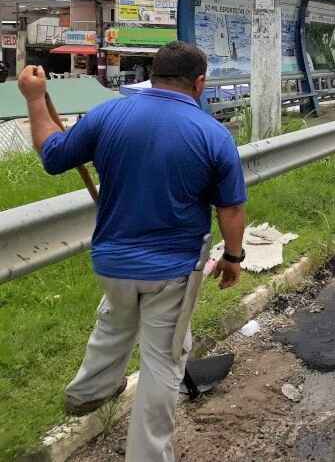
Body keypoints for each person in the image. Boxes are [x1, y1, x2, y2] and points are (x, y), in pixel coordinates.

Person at [17, 41, 247, 462]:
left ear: (152, 74)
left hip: (111, 261)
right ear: (199, 82)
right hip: (172, 270)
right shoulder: (212, 132)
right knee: (163, 361)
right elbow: (230, 207)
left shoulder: (108, 114)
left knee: (116, 320)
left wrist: (34, 100)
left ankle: (88, 392)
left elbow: (53, 155)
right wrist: (233, 258)